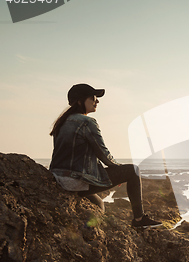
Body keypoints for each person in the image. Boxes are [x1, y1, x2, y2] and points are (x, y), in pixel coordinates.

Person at [49, 83, 162, 228]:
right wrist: (119, 170)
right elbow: (103, 154)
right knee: (133, 171)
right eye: (93, 97)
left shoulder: (61, 123)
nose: (97, 100)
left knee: (99, 203)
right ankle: (139, 220)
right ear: (79, 101)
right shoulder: (87, 122)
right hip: (75, 182)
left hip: (59, 179)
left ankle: (97, 231)